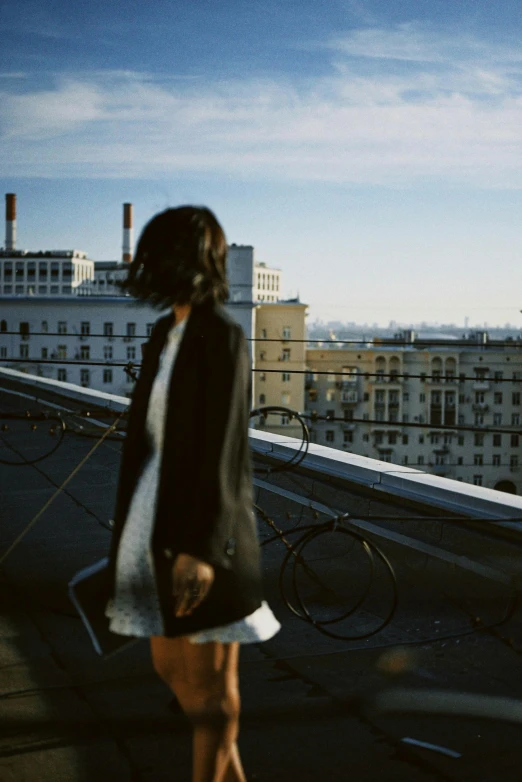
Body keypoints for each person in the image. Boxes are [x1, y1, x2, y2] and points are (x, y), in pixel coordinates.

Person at [105, 206, 280, 782]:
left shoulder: (223, 336)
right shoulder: (165, 332)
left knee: (211, 689)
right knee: (172, 669)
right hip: (150, 522)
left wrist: (200, 549)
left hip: (202, 532)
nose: (145, 266)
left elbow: (223, 452)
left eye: (156, 255)